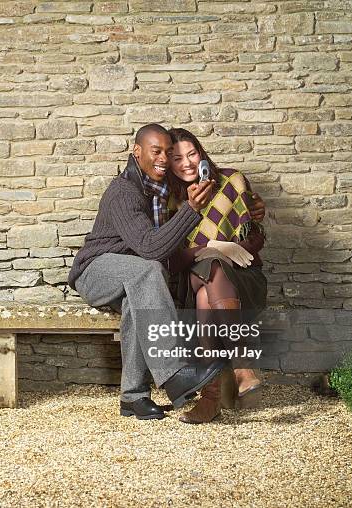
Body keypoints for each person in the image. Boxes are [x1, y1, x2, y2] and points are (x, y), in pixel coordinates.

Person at [68, 123, 227, 421]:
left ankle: (133, 398)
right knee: (149, 270)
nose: (164, 158)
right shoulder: (124, 192)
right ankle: (175, 373)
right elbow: (150, 248)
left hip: (129, 273)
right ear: (137, 152)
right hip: (96, 271)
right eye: (157, 151)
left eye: (168, 152)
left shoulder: (159, 189)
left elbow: (209, 175)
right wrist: (191, 210)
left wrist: (248, 202)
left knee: (137, 303)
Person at [166, 128, 268, 424]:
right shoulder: (169, 200)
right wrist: (209, 247)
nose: (185, 163)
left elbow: (256, 237)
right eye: (176, 158)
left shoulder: (232, 181)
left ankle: (209, 399)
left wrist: (233, 247)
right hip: (192, 277)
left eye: (191, 154)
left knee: (207, 289)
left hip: (242, 277)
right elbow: (170, 257)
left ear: (201, 152)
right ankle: (243, 367)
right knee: (210, 264)